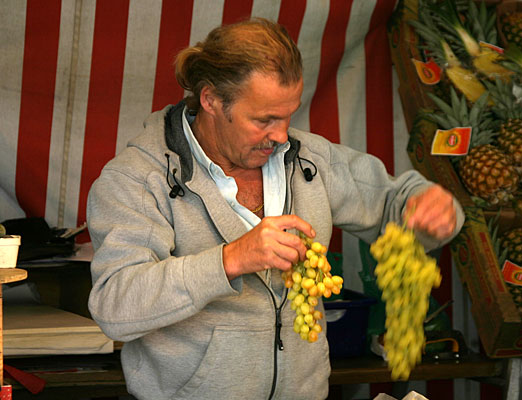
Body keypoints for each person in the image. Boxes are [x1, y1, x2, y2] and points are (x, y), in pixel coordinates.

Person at [86, 18, 464, 400]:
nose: (282, 135)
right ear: (211, 100)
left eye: (289, 116)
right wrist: (230, 259)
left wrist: (435, 208)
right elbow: (116, 305)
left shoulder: (310, 160)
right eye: (264, 119)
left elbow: (394, 202)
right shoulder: (139, 179)